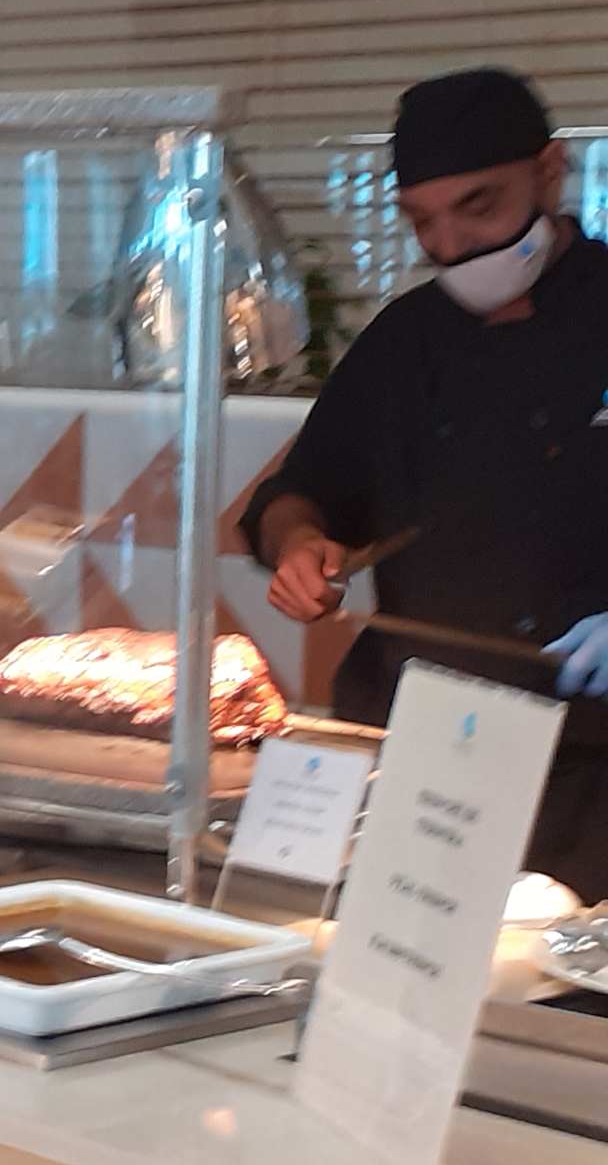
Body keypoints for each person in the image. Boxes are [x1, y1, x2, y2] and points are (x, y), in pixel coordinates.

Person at [242, 67, 608, 892]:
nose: (448, 245)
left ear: (550, 170)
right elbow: (296, 493)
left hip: (591, 781)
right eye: (421, 221)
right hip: (417, 751)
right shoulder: (403, 342)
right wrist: (299, 544)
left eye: (477, 206)